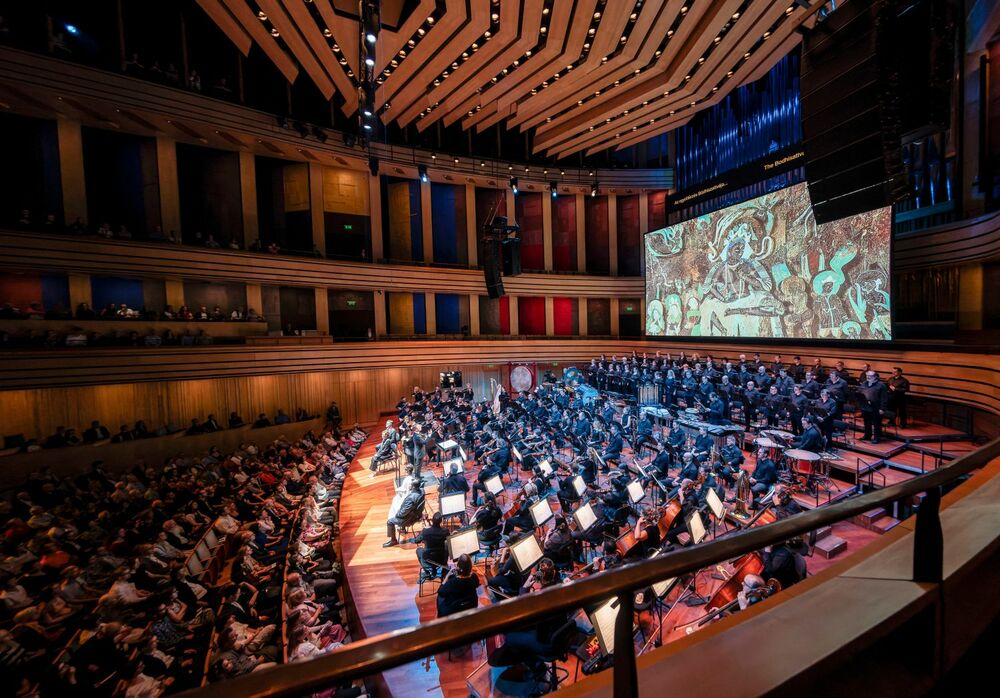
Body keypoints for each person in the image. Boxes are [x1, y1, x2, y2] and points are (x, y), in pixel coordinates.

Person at [384, 480, 425, 547]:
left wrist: (397, 514)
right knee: (403, 514)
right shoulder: (422, 491)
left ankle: (393, 540)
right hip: (416, 516)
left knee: (390, 521)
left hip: (409, 520)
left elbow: (404, 512)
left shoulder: (411, 498)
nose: (409, 486)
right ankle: (403, 529)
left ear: (413, 487)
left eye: (410, 485)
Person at [413, 512, 449, 582]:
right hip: (441, 559)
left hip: (428, 560)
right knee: (446, 545)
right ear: (441, 522)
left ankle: (427, 572)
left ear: (432, 520)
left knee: (418, 550)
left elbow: (416, 541)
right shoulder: (445, 532)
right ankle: (444, 571)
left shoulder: (426, 531)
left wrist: (423, 530)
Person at [858, 370, 888, 444]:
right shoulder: (864, 383)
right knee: (867, 423)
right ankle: (867, 436)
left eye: (870, 376)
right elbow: (859, 391)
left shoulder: (881, 385)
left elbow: (884, 398)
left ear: (875, 377)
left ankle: (877, 438)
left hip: (876, 408)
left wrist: (882, 408)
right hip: (866, 407)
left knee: (876, 424)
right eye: (867, 375)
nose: (868, 377)